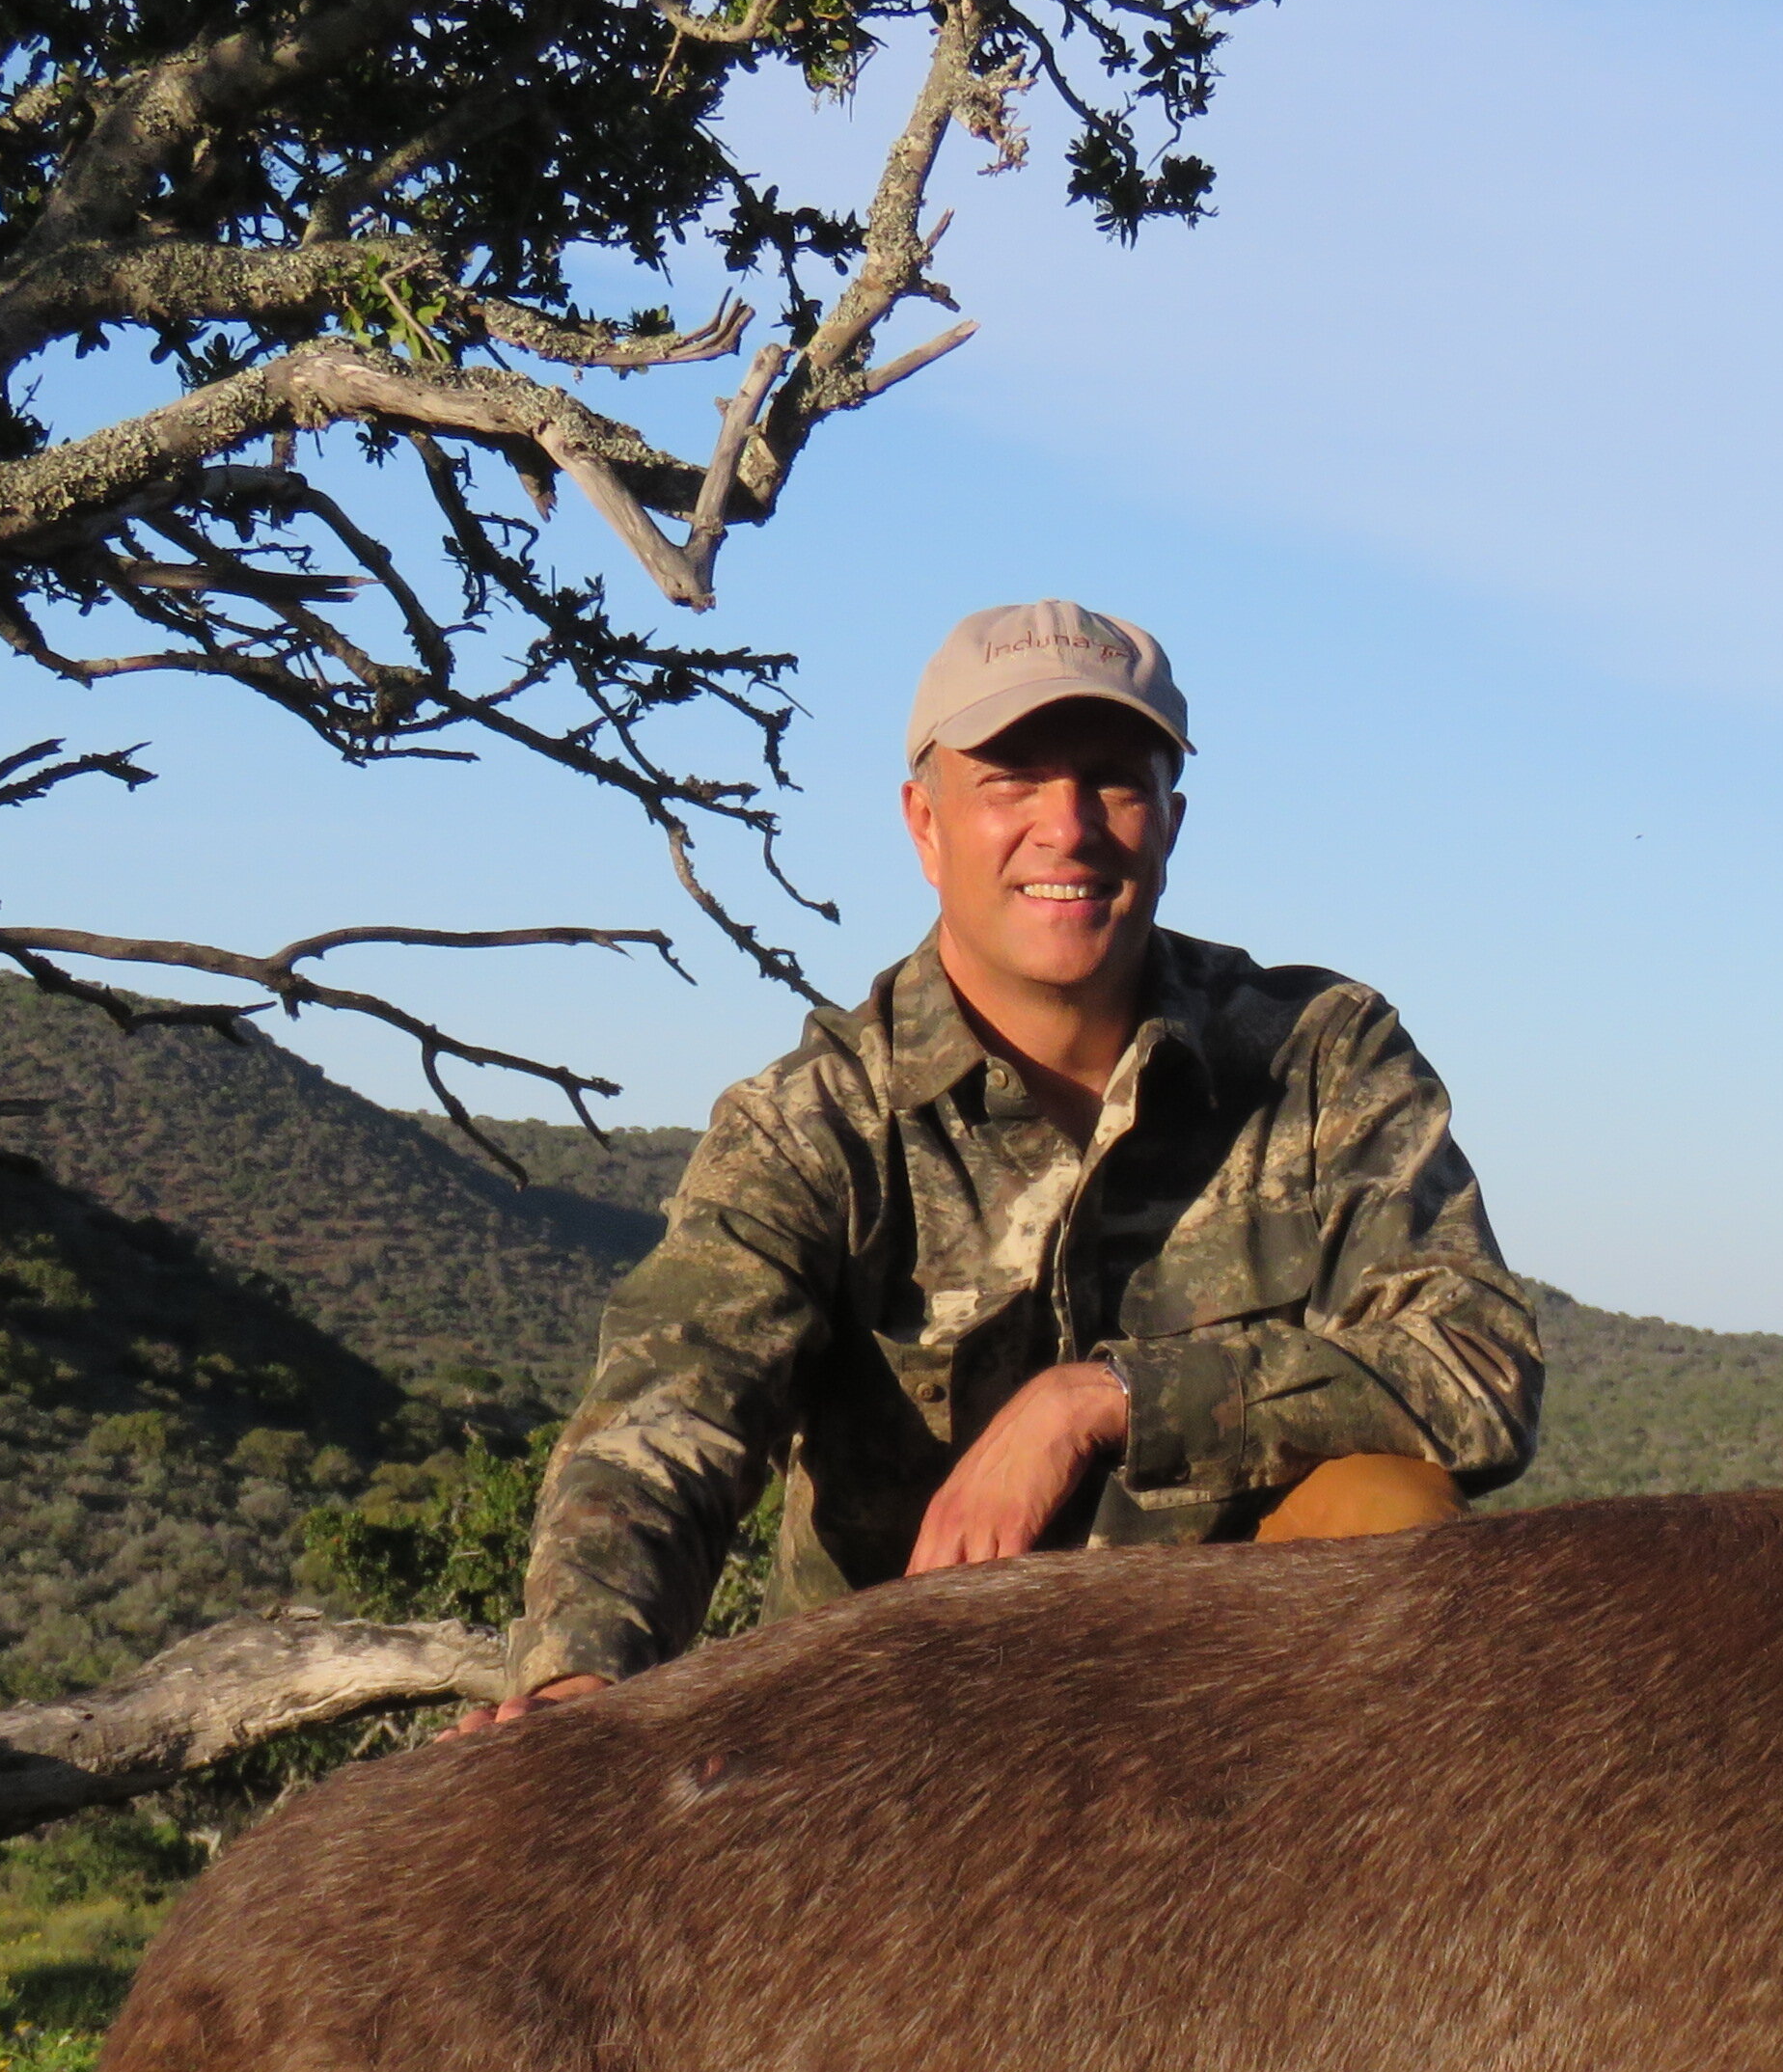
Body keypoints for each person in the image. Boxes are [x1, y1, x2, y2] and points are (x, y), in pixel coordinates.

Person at [467, 599, 1540, 1727]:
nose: (1067, 827)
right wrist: (580, 1675)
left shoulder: (1320, 1055)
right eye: (1013, 781)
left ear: (1171, 818)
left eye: (1113, 780)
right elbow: (662, 1423)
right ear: (925, 826)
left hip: (1234, 1716)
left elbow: (1475, 1366)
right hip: (901, 1728)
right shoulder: (816, 1125)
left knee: (1390, 1508)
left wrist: (1105, 1400)